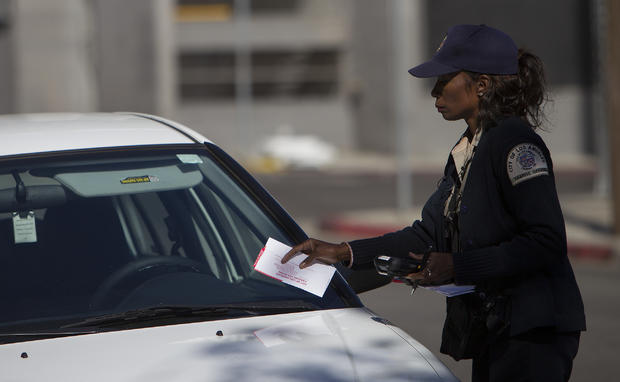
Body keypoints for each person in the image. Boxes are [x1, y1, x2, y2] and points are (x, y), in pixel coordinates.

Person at [281, 24, 586, 381]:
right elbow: (427, 234)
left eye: (444, 81)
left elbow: (546, 242)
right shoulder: (469, 146)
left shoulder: (516, 145)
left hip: (534, 331)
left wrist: (458, 265)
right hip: (496, 326)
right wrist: (343, 251)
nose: (434, 92)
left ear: (482, 85)